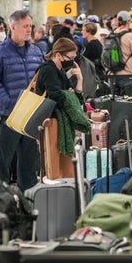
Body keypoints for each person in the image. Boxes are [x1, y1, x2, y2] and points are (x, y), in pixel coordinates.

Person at [0, 10, 44, 191]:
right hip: (8, 117)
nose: (29, 30)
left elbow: (40, 79)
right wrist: (9, 103)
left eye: (30, 26)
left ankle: (28, 199)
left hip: (30, 117)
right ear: (13, 27)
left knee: (28, 162)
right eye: (25, 26)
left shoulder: (35, 51)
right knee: (1, 162)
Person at [35, 38, 90, 178]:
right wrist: (67, 95)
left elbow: (75, 99)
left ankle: (67, 190)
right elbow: (57, 96)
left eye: (74, 57)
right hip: (50, 121)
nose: (72, 61)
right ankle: (55, 191)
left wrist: (80, 80)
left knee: (65, 162)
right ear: (58, 55)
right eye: (70, 57)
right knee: (53, 161)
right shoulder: (48, 70)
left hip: (60, 121)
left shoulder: (59, 70)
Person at [111, 11, 132, 96]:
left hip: (113, 75)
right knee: (127, 104)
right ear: (128, 22)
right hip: (127, 75)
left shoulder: (112, 34)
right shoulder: (130, 36)